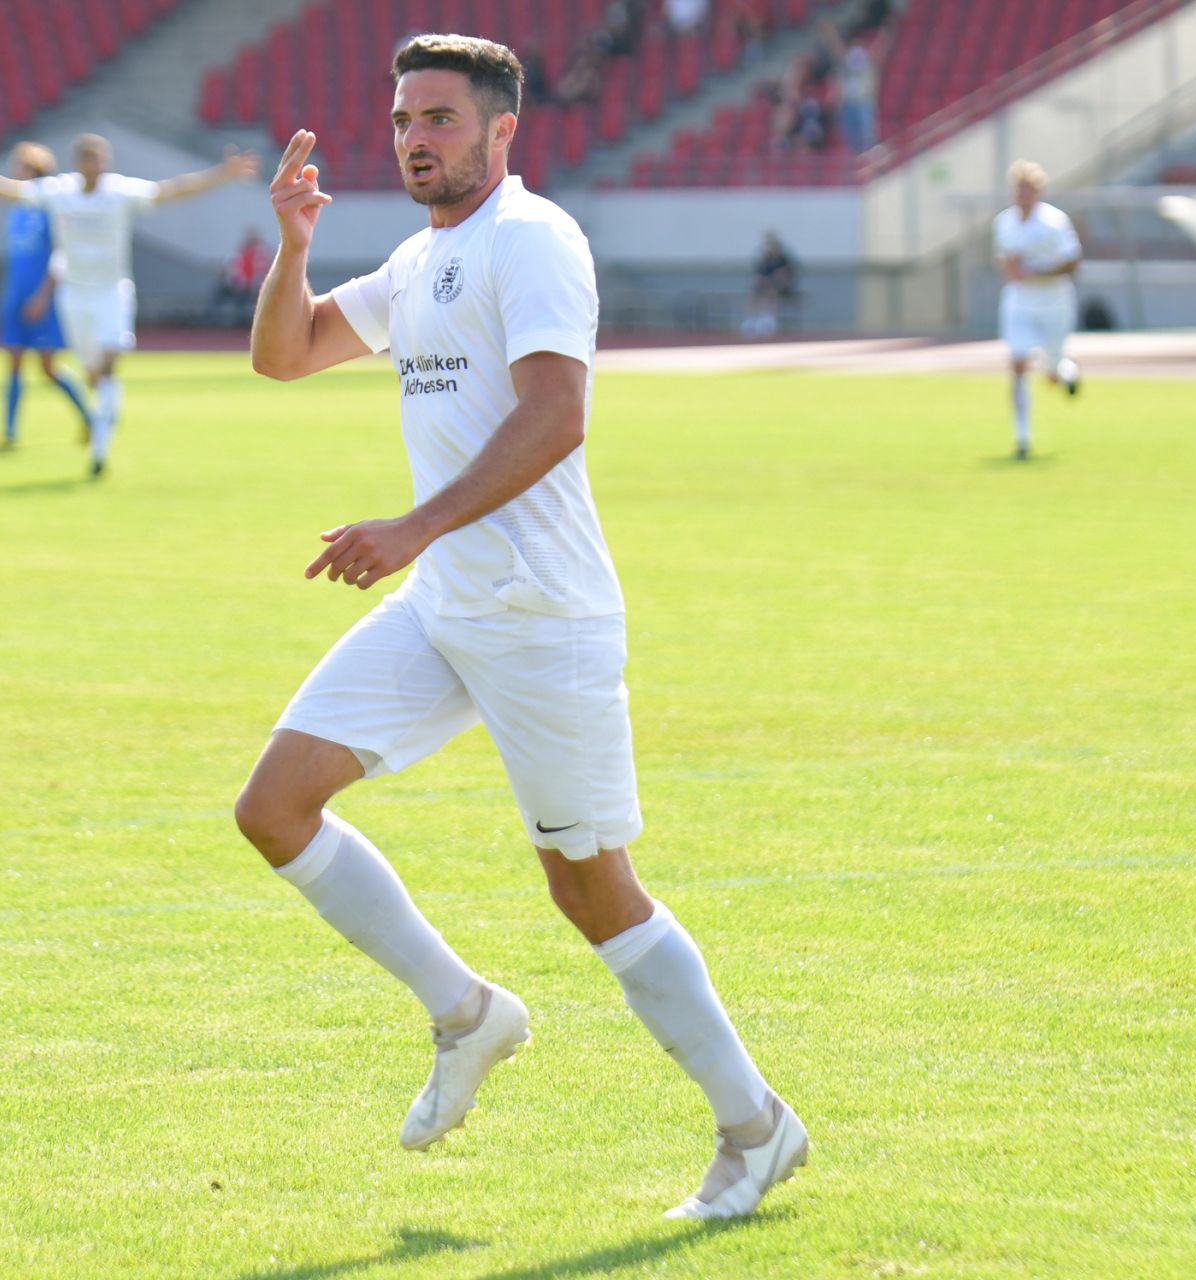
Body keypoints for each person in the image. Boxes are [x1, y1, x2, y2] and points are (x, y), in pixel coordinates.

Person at [240, 33, 807, 1220]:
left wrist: (412, 525)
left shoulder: (534, 240)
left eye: (441, 118)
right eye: (403, 118)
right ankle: (467, 1011)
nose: (414, 138)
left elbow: (558, 416)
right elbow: (284, 356)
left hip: (542, 617)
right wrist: (291, 250)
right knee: (274, 806)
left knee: (592, 889)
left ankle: (756, 1127)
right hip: (446, 608)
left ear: (504, 131)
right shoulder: (415, 259)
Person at [0, 134, 259, 477]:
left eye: (103, 159)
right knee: (92, 373)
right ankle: (102, 404)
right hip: (74, 296)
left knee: (108, 365)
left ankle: (99, 450)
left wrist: (221, 174)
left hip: (112, 291)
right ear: (79, 163)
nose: (99, 166)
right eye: (92, 159)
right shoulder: (60, 192)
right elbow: (3, 189)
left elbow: (171, 190)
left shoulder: (119, 192)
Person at [0, 141, 93, 453]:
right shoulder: (18, 209)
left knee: (47, 367)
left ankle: (91, 417)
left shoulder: (50, 208)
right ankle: (9, 432)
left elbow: (61, 254)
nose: (15, 171)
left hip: (40, 298)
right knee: (13, 361)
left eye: (21, 166)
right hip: (16, 294)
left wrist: (44, 295)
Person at [993, 159, 1082, 461]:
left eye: (1028, 188)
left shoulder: (1054, 222)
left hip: (1054, 300)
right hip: (1020, 301)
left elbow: (1072, 263)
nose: (1022, 194)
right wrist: (1012, 269)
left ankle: (1066, 370)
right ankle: (1022, 437)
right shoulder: (1004, 222)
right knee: (1017, 363)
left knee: (1051, 371)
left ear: (1038, 191)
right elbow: (1006, 260)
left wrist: (1036, 271)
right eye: (1018, 188)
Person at [210, 228, 273, 326]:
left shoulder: (262, 254)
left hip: (254, 288)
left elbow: (264, 272)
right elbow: (230, 269)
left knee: (243, 296)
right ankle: (211, 318)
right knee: (219, 290)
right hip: (238, 286)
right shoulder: (239, 253)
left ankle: (242, 321)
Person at [742, 230, 797, 337]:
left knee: (772, 292)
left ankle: (769, 320)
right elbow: (760, 275)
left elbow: (786, 275)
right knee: (753, 294)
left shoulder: (782, 259)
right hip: (767, 286)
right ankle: (751, 320)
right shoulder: (765, 260)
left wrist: (775, 283)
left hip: (782, 288)